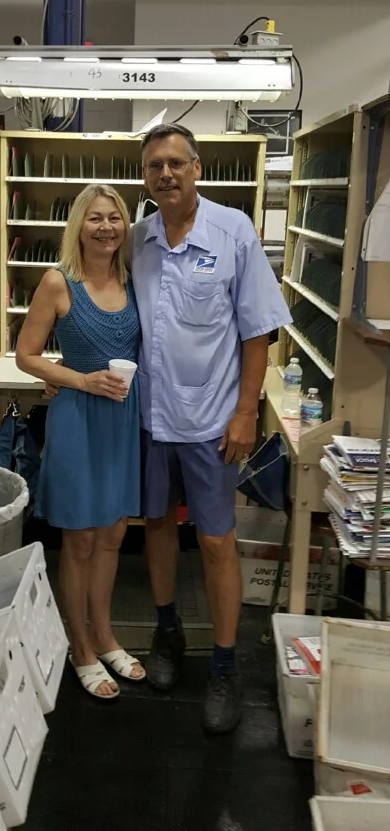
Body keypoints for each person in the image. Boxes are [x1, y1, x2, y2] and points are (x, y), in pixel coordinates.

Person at [131, 123, 292, 734]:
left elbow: (258, 333)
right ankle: (167, 631)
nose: (166, 174)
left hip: (212, 422)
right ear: (145, 177)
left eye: (176, 163)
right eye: (155, 166)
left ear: (197, 167)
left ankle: (225, 665)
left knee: (218, 541)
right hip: (152, 417)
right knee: (157, 527)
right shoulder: (139, 238)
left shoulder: (234, 232)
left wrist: (247, 411)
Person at [16, 183, 145, 700]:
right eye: (95, 218)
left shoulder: (133, 279)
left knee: (113, 532)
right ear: (78, 225)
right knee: (81, 538)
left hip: (122, 419)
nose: (106, 227)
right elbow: (26, 355)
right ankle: (81, 646)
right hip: (76, 418)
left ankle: (105, 634)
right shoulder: (58, 282)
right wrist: (79, 379)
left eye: (114, 217)